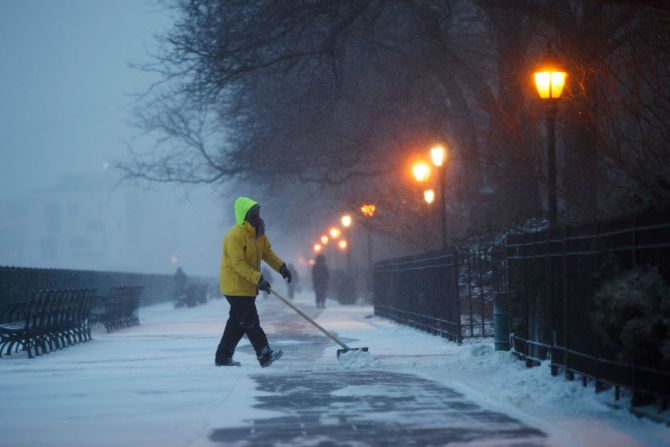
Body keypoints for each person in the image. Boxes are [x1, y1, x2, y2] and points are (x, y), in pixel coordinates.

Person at [215, 196, 292, 367]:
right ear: (245, 216)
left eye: (258, 213)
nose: (258, 217)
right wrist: (258, 279)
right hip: (234, 287)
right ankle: (264, 354)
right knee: (251, 321)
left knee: (237, 324)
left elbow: (268, 254)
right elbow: (238, 264)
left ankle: (223, 357)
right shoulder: (234, 236)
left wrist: (281, 267)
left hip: (248, 286)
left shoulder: (259, 235)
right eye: (254, 214)